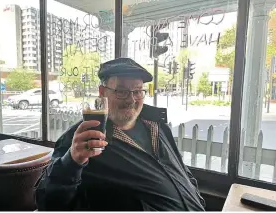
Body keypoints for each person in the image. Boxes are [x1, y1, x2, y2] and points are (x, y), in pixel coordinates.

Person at [35, 58, 206, 211]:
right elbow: (48, 203)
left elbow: (182, 171)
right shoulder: (83, 138)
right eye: (122, 91)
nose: (131, 99)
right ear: (103, 92)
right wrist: (71, 161)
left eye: (138, 91)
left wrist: (196, 199)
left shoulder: (158, 126)